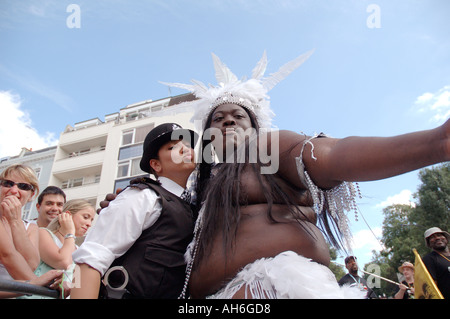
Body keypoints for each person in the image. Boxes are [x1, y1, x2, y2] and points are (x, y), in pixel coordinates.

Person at [159, 51, 450, 299]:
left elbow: (331, 155)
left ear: (255, 127)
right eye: (218, 118)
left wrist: (435, 143)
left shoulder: (267, 146)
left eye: (238, 115)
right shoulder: (198, 185)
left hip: (277, 286)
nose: (229, 120)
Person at [71, 123, 198, 299]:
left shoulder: (195, 207)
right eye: (173, 147)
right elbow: (88, 260)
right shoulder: (143, 196)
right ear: (156, 164)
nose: (185, 150)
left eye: (187, 145)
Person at [20, 199, 95, 299]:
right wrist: (70, 233)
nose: (89, 223)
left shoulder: (79, 249)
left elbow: (76, 284)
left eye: (91, 220)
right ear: (67, 215)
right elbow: (64, 262)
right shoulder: (43, 234)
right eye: (86, 217)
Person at [0, 164, 40, 280]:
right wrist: (36, 283)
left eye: (23, 186)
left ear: (31, 195)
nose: (13, 191)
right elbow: (6, 255)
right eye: (8, 184)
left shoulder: (31, 227)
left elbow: (31, 264)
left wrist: (15, 220)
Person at [422, 227, 450, 299]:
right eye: (432, 237)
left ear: (446, 238)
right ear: (429, 243)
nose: (437, 238)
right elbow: (431, 286)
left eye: (439, 235)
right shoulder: (429, 259)